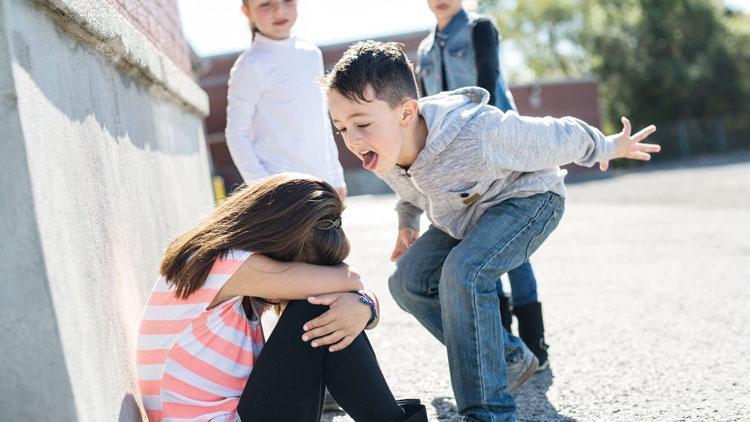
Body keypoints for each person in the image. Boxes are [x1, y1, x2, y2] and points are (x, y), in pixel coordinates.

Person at [324, 41, 659, 421]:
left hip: (528, 201)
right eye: (342, 128)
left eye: (362, 124)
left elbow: (555, 135)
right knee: (407, 282)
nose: (351, 139)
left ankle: (490, 412)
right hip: (465, 216)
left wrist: (607, 145)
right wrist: (407, 224)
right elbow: (409, 191)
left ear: (406, 112)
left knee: (464, 273)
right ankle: (509, 357)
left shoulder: (477, 133)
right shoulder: (384, 151)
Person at [136, 174, 427, 421]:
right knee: (315, 308)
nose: (302, 276)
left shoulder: (223, 265)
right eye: (303, 267)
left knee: (325, 307)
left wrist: (364, 306)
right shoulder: (226, 264)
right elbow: (350, 281)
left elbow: (351, 288)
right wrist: (362, 301)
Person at [417, 0, 548, 370]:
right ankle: (505, 344)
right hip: (453, 164)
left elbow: (488, 80)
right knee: (478, 246)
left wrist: (481, 136)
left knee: (511, 245)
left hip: (496, 149)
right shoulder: (425, 50)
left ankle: (534, 342)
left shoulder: (479, 28)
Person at [225, 0, 347, 199]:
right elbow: (237, 134)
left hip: (322, 184)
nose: (279, 10)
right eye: (265, 4)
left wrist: (336, 176)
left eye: (287, 1)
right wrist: (264, 188)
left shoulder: (312, 54)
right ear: (247, 12)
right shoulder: (250, 65)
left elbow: (321, 121)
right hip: (281, 193)